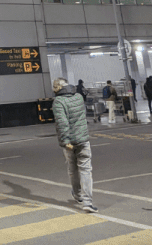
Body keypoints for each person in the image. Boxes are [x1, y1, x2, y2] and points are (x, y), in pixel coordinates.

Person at [52, 78, 98, 213]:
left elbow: (62, 123)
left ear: (57, 88)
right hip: (83, 139)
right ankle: (88, 202)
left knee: (73, 169)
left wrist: (65, 141)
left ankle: (77, 195)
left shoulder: (58, 102)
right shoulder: (78, 97)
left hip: (69, 142)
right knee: (86, 170)